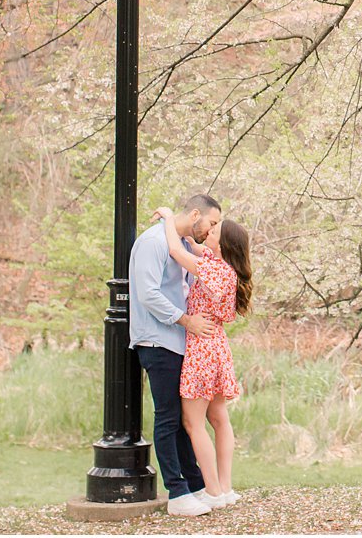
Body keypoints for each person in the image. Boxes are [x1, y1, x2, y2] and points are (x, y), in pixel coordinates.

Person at [153, 205, 254, 509]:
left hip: (202, 346)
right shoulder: (223, 266)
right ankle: (224, 487)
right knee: (219, 418)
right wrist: (187, 228)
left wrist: (170, 218)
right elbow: (194, 246)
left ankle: (212, 490)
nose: (208, 232)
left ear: (223, 245)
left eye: (214, 232)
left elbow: (175, 249)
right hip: (218, 346)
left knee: (193, 422)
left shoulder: (214, 270)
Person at [129, 193, 221, 517]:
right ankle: (177, 493)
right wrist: (186, 321)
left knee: (184, 422)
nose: (211, 231)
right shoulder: (153, 242)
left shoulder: (178, 242)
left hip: (179, 341)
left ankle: (194, 487)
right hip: (157, 342)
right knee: (167, 418)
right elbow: (149, 293)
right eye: (210, 223)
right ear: (195, 214)